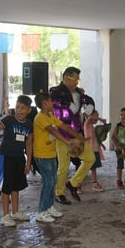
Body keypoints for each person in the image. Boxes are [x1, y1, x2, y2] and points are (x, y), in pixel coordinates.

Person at [33, 93, 88, 222]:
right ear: (45, 103)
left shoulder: (51, 116)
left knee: (53, 181)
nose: (53, 103)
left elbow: (65, 127)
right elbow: (53, 131)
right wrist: (66, 141)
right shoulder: (40, 117)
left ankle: (49, 207)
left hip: (51, 154)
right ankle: (41, 211)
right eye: (51, 101)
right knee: (49, 182)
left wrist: (80, 138)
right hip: (42, 155)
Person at [50, 67, 96, 204]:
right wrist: (74, 104)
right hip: (62, 135)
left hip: (77, 134)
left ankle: (73, 183)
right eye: (73, 79)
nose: (76, 82)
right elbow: (58, 104)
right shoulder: (55, 91)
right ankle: (59, 193)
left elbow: (90, 101)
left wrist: (90, 108)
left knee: (90, 158)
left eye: (77, 79)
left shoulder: (79, 93)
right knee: (63, 167)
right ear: (65, 78)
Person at [0, 95, 33, 227]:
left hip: (19, 158)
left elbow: (29, 144)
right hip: (6, 157)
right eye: (17, 107)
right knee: (6, 187)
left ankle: (15, 212)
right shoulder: (9, 120)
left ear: (29, 110)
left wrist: (28, 163)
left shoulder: (28, 125)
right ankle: (5, 215)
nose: (19, 110)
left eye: (23, 108)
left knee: (16, 186)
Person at [83, 110, 107, 192]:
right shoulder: (87, 124)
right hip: (89, 151)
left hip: (95, 150)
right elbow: (90, 117)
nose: (96, 118)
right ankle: (76, 185)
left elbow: (96, 138)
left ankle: (94, 183)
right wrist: (101, 119)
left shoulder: (93, 127)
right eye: (95, 116)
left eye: (98, 115)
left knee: (93, 168)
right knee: (84, 168)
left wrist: (102, 145)